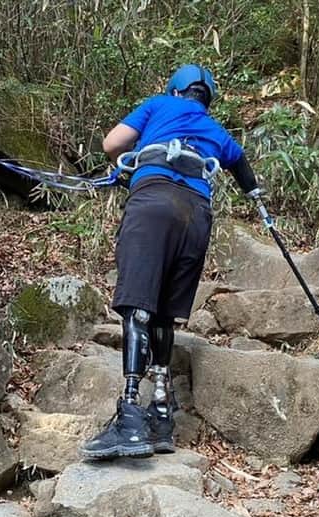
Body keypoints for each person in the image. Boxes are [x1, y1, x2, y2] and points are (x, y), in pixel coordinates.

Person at [82, 66, 263, 461]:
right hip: (196, 215)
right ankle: (161, 414)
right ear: (206, 97)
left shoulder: (159, 104)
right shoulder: (216, 130)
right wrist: (256, 197)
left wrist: (126, 164)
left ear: (176, 90)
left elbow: (112, 142)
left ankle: (130, 416)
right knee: (164, 315)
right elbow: (243, 169)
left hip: (153, 201)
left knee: (138, 306)